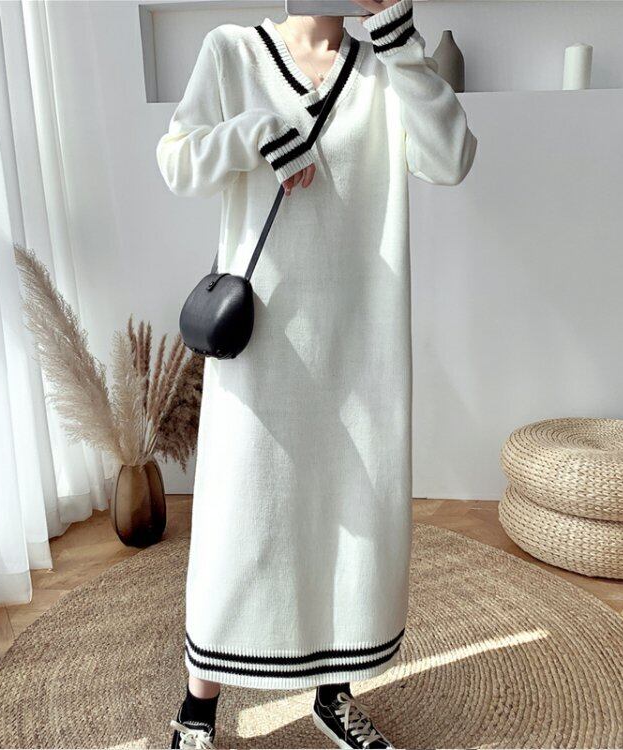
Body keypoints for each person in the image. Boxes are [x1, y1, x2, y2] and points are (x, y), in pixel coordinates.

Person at [157, 0, 476, 746]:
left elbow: (451, 157)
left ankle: (334, 693)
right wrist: (252, 133)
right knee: (241, 523)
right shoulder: (232, 51)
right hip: (262, 346)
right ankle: (198, 706)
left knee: (352, 521)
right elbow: (176, 160)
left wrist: (396, 33)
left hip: (360, 345)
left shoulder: (387, 69)